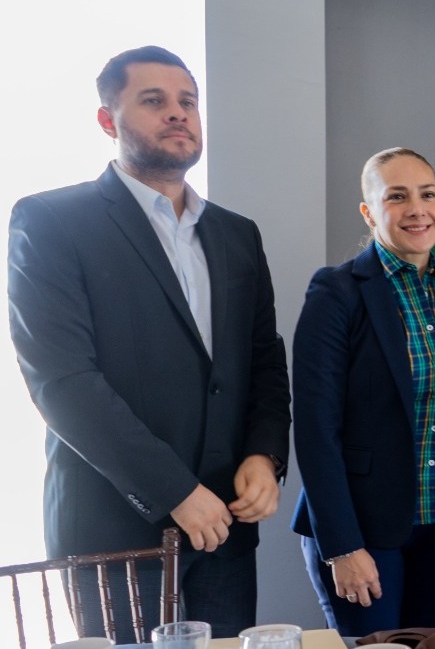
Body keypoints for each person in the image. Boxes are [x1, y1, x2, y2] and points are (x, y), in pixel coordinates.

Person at [7, 45, 290, 638]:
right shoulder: (52, 221)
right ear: (107, 120)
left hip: (226, 529)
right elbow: (62, 382)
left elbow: (264, 360)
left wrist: (265, 455)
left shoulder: (237, 234)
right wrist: (175, 492)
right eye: (154, 101)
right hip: (114, 534)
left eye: (187, 101)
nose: (178, 113)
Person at [289, 148, 435, 636]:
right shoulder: (337, 292)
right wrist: (342, 546)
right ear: (369, 212)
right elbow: (315, 430)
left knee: (433, 647)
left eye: (427, 194)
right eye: (397, 197)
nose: (418, 209)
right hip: (362, 531)